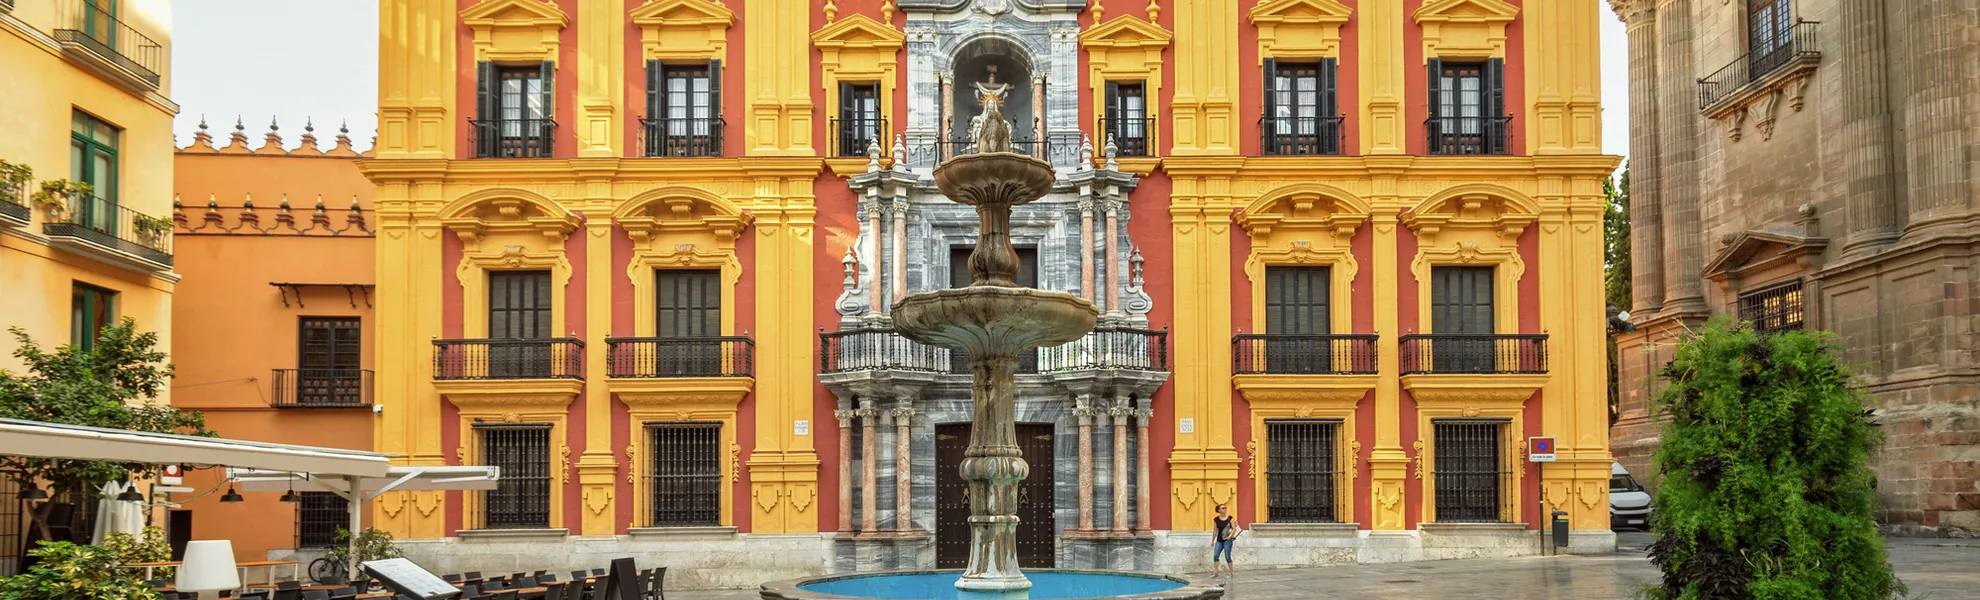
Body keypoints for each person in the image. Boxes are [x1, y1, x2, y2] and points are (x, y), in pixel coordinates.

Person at [1211, 504, 1238, 577]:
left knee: (1227, 556)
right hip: (1219, 540)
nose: (1225, 509)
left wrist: (1230, 536)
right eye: (1223, 508)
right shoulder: (1216, 519)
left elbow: (1234, 528)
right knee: (1216, 556)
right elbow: (1215, 530)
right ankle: (1215, 573)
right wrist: (1212, 541)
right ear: (1219, 510)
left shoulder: (1230, 518)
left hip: (1227, 541)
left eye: (1225, 508)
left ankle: (1230, 572)